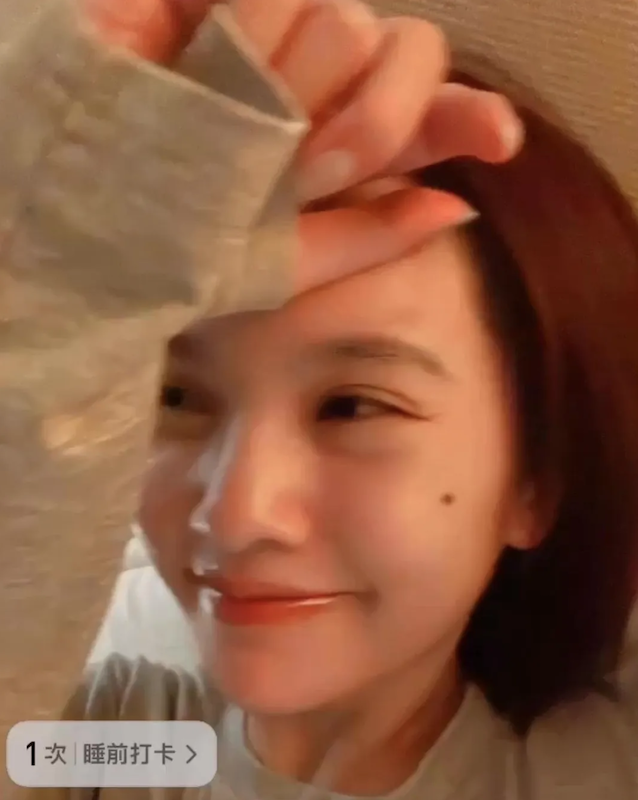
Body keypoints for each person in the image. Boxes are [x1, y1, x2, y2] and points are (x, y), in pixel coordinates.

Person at [16, 0, 638, 798]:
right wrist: (35, 327)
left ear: (535, 483)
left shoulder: (587, 775)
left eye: (353, 407)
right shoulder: (127, 745)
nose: (235, 517)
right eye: (175, 394)